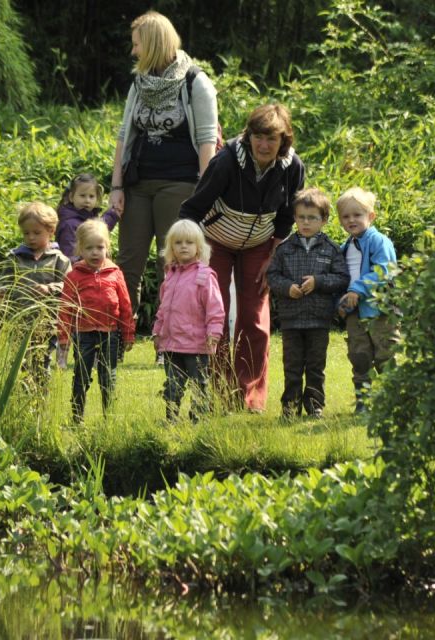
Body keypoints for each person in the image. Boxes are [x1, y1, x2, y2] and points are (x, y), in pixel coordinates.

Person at [178, 103, 305, 412]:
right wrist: (190, 256)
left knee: (254, 317)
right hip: (215, 243)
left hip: (260, 245)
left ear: (283, 141)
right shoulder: (225, 163)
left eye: (271, 138)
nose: (263, 145)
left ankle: (248, 398)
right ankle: (215, 390)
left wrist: (273, 254)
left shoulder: (293, 167)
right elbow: (191, 210)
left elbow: (288, 216)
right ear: (249, 137)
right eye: (258, 136)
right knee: (215, 316)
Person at [110, 10, 220, 316]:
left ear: (154, 43)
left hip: (180, 183)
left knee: (171, 263)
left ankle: (169, 339)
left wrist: (205, 194)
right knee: (128, 262)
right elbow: (124, 136)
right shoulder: (139, 83)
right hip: (138, 183)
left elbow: (207, 141)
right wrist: (116, 186)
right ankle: (118, 336)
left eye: (137, 44)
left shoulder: (195, 81)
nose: (133, 51)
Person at [266, 188, 349, 419]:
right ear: (294, 218)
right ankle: (290, 408)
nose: (306, 222)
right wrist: (287, 288)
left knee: (315, 366)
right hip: (291, 319)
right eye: (301, 217)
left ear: (324, 220)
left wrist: (319, 282)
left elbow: (342, 278)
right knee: (292, 367)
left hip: (318, 320)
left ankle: (315, 406)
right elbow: (272, 276)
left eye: (312, 218)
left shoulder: (331, 250)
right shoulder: (284, 249)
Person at [57, 219, 135, 423]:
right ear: (80, 248)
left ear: (107, 247)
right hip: (83, 334)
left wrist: (128, 334)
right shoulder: (74, 276)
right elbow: (65, 309)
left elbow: (125, 305)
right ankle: (76, 418)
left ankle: (109, 417)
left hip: (110, 333)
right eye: (88, 248)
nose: (94, 253)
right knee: (81, 376)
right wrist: (63, 338)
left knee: (108, 376)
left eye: (99, 247)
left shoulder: (115, 273)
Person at [152, 220, 225, 422]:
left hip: (197, 344)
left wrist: (214, 334)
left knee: (199, 383)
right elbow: (163, 309)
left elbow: (215, 310)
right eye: (178, 243)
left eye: (189, 242)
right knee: (172, 384)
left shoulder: (204, 276)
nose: (184, 246)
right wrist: (157, 333)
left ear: (199, 247)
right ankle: (171, 417)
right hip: (172, 343)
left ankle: (198, 419)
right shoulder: (170, 276)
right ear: (171, 247)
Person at [336, 187, 400, 414]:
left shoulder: (378, 241)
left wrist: (356, 290)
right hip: (355, 313)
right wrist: (341, 303)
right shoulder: (346, 246)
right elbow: (342, 277)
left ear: (370, 216)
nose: (351, 220)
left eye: (357, 215)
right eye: (346, 216)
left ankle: (393, 401)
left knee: (386, 355)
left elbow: (385, 270)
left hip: (380, 309)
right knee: (359, 356)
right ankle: (363, 402)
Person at [3, 202, 72, 387]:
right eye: (26, 233)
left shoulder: (58, 259)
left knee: (42, 360)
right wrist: (0, 293)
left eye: (36, 233)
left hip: (46, 321)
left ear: (51, 231)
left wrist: (50, 288)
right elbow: (4, 281)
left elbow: (71, 285)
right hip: (19, 319)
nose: (31, 237)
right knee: (20, 362)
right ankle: (22, 397)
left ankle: (40, 399)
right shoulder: (15, 258)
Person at [57, 173, 121, 262]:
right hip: (79, 271)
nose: (87, 200)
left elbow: (98, 230)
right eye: (82, 196)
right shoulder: (69, 224)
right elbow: (70, 256)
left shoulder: (88, 216)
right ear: (71, 197)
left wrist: (113, 214)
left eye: (91, 196)